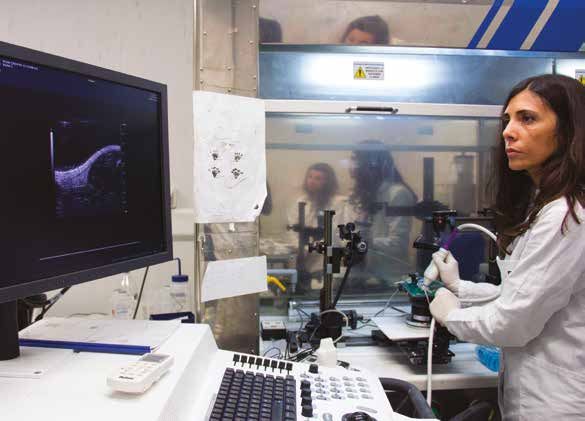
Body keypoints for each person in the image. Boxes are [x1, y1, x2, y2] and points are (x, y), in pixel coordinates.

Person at [429, 74, 585, 419]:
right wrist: (461, 288)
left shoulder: (566, 215)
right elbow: (524, 296)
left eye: (527, 118)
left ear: (568, 130)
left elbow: (513, 323)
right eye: (507, 120)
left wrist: (452, 316)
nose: (508, 132)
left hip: (556, 404)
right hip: (536, 395)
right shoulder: (545, 205)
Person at [349, 141, 417, 283]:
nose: (351, 165)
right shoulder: (364, 193)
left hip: (391, 277)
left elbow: (398, 243)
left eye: (355, 160)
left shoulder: (397, 193)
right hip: (368, 275)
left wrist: (364, 243)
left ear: (371, 164)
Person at [286, 163, 353, 289]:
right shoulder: (301, 201)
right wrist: (299, 247)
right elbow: (292, 229)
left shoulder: (340, 203)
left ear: (328, 182)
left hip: (329, 259)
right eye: (310, 177)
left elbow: (337, 234)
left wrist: (311, 248)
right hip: (304, 260)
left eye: (318, 178)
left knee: (327, 292)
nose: (312, 181)